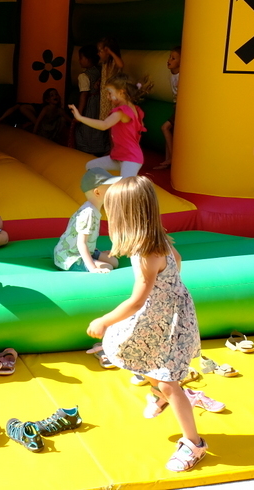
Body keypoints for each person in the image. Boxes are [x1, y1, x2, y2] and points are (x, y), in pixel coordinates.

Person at [87, 176, 208, 472]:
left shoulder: (146, 253)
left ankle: (194, 443)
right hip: (166, 312)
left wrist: (103, 320)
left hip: (167, 317)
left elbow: (136, 301)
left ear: (124, 215)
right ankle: (159, 393)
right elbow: (177, 260)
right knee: (136, 351)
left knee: (168, 380)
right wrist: (170, 290)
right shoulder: (158, 239)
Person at [69, 74, 148, 178]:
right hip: (119, 156)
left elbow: (104, 125)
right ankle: (110, 183)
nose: (108, 97)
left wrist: (80, 118)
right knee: (91, 166)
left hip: (130, 158)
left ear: (121, 92)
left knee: (125, 186)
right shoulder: (134, 109)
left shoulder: (122, 111)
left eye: (110, 93)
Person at [54, 167, 121, 272]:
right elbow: (81, 243)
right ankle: (90, 261)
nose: (114, 191)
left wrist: (96, 251)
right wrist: (92, 268)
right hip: (69, 256)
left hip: (86, 250)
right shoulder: (88, 212)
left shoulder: (93, 209)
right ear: (97, 192)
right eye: (110, 188)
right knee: (108, 267)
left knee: (114, 262)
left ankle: (94, 255)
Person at [73, 45, 106, 155]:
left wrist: (79, 113)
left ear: (88, 59)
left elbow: (84, 94)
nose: (79, 61)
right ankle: (100, 147)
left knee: (87, 126)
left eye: (81, 58)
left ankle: (88, 149)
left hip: (90, 104)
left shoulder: (84, 76)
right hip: (100, 103)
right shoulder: (100, 70)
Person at [154, 46, 181, 170]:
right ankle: (167, 160)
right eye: (170, 57)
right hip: (176, 107)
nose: (169, 60)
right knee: (168, 132)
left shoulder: (182, 75)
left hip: (181, 109)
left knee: (165, 127)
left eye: (173, 58)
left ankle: (173, 158)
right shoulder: (172, 74)